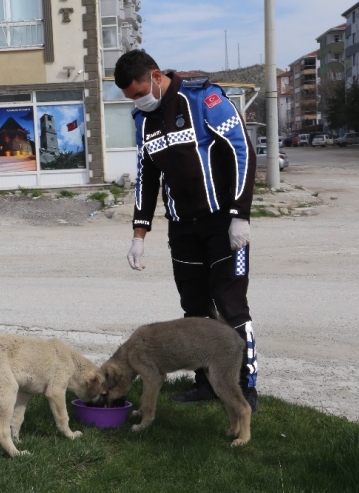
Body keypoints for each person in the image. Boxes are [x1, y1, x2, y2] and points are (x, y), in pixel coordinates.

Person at [113, 50, 258, 411]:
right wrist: (138, 234)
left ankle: (245, 387)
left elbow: (242, 152)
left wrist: (241, 213)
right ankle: (206, 382)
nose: (136, 101)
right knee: (194, 307)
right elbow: (147, 177)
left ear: (156, 76)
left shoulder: (204, 98)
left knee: (231, 305)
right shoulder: (144, 120)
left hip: (223, 222)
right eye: (129, 98)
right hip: (182, 228)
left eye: (137, 93)